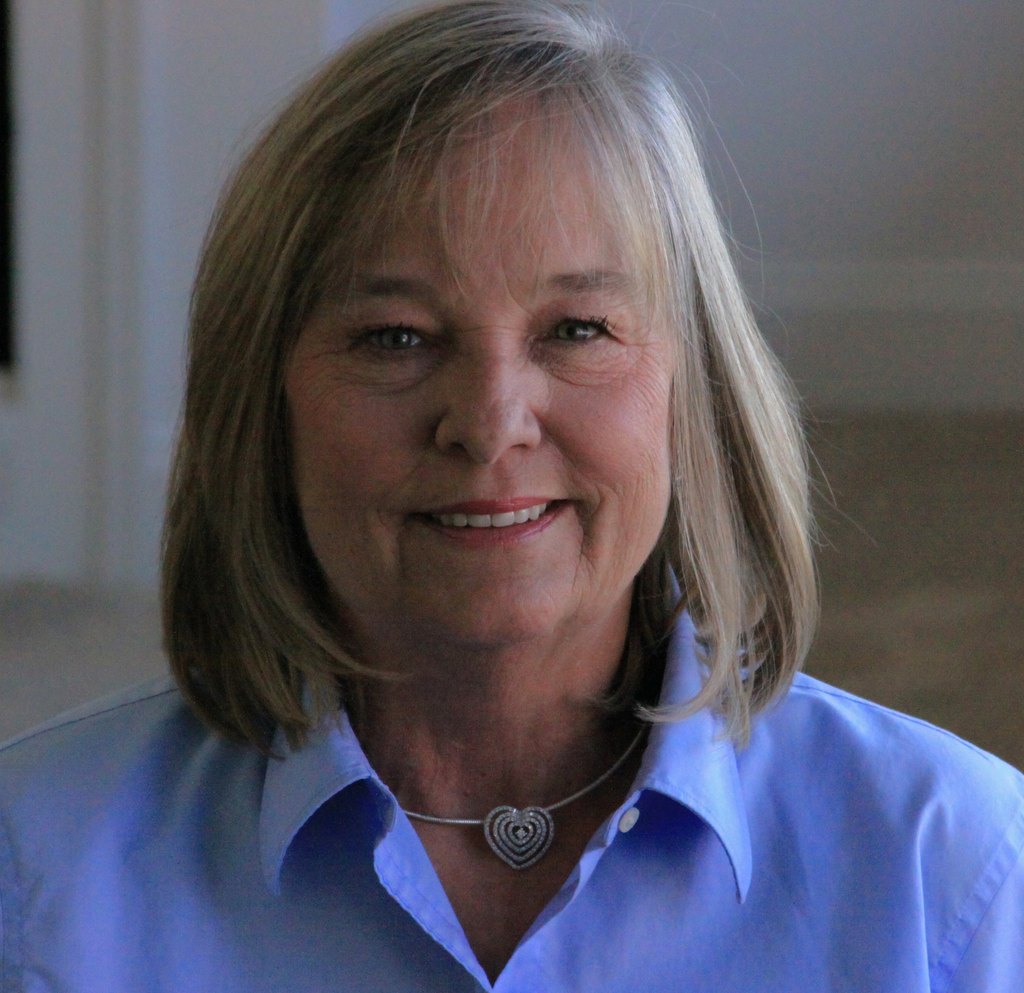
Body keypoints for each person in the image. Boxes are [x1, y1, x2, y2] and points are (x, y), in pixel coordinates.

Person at [1, 1, 1021, 989]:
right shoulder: (29, 877)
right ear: (261, 403)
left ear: (693, 388)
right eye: (395, 337)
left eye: (576, 329)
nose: (490, 423)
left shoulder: (955, 876)